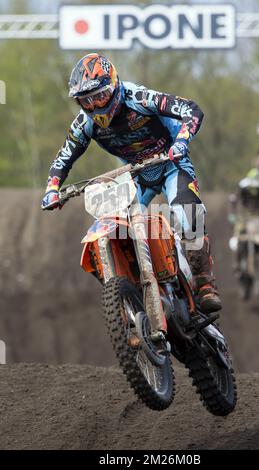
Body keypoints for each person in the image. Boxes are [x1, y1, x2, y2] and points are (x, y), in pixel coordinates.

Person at [41, 53, 222, 320]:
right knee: (114, 227)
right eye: (85, 100)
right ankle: (134, 291)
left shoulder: (139, 98)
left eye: (99, 96)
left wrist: (182, 140)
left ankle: (204, 282)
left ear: (113, 86)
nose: (93, 105)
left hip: (171, 163)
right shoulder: (85, 123)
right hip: (135, 175)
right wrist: (52, 188)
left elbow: (191, 110)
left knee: (187, 213)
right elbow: (65, 156)